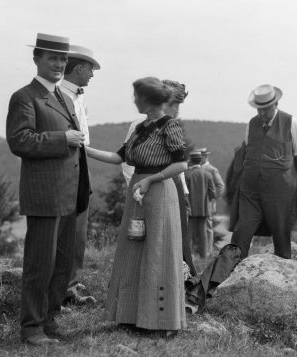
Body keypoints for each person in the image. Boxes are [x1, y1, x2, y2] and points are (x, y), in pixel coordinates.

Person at [85, 77, 187, 336]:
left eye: (137, 97)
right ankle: (130, 315)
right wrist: (84, 149)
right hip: (138, 193)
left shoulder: (170, 126)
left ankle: (161, 320)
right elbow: (119, 157)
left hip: (159, 191)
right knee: (133, 250)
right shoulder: (141, 127)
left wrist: (151, 179)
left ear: (148, 100)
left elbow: (181, 164)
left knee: (158, 252)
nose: (134, 101)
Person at [6, 33, 89, 345]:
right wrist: (62, 139)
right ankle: (31, 328)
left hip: (69, 195)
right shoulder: (24, 97)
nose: (58, 64)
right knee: (40, 265)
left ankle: (50, 322)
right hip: (44, 196)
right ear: (37, 59)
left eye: (63, 59)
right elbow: (19, 140)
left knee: (62, 264)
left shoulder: (64, 99)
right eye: (52, 58)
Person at [120, 79, 197, 276]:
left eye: (179, 105)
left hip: (172, 186)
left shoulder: (171, 125)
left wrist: (184, 192)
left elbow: (177, 162)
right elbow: (128, 163)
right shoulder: (140, 125)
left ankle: (181, 282)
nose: (177, 110)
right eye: (174, 104)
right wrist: (137, 189)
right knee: (151, 239)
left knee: (177, 238)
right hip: (146, 189)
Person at [229, 84, 297, 259]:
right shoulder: (252, 124)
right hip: (251, 191)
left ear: (276, 105)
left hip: (280, 192)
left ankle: (283, 279)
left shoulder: (291, 122)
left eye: (265, 110)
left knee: (281, 234)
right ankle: (231, 273)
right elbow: (242, 156)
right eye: (259, 109)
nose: (261, 114)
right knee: (241, 231)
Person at [59, 44, 100, 305]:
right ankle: (63, 287)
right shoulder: (59, 95)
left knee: (79, 228)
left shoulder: (79, 96)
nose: (92, 75)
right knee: (67, 228)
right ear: (79, 68)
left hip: (81, 161)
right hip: (65, 165)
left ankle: (69, 283)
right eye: (90, 70)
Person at [186, 151, 216, 258]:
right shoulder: (207, 174)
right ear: (200, 160)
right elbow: (213, 193)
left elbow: (184, 193)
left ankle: (188, 256)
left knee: (188, 235)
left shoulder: (186, 174)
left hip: (190, 209)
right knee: (203, 234)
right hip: (204, 209)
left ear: (190, 160)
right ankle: (204, 256)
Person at [199, 148, 225, 245]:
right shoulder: (196, 168)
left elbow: (220, 186)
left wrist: (212, 199)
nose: (198, 158)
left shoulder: (212, 170)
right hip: (196, 203)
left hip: (207, 203)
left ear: (205, 157)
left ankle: (208, 251)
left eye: (200, 156)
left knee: (207, 227)